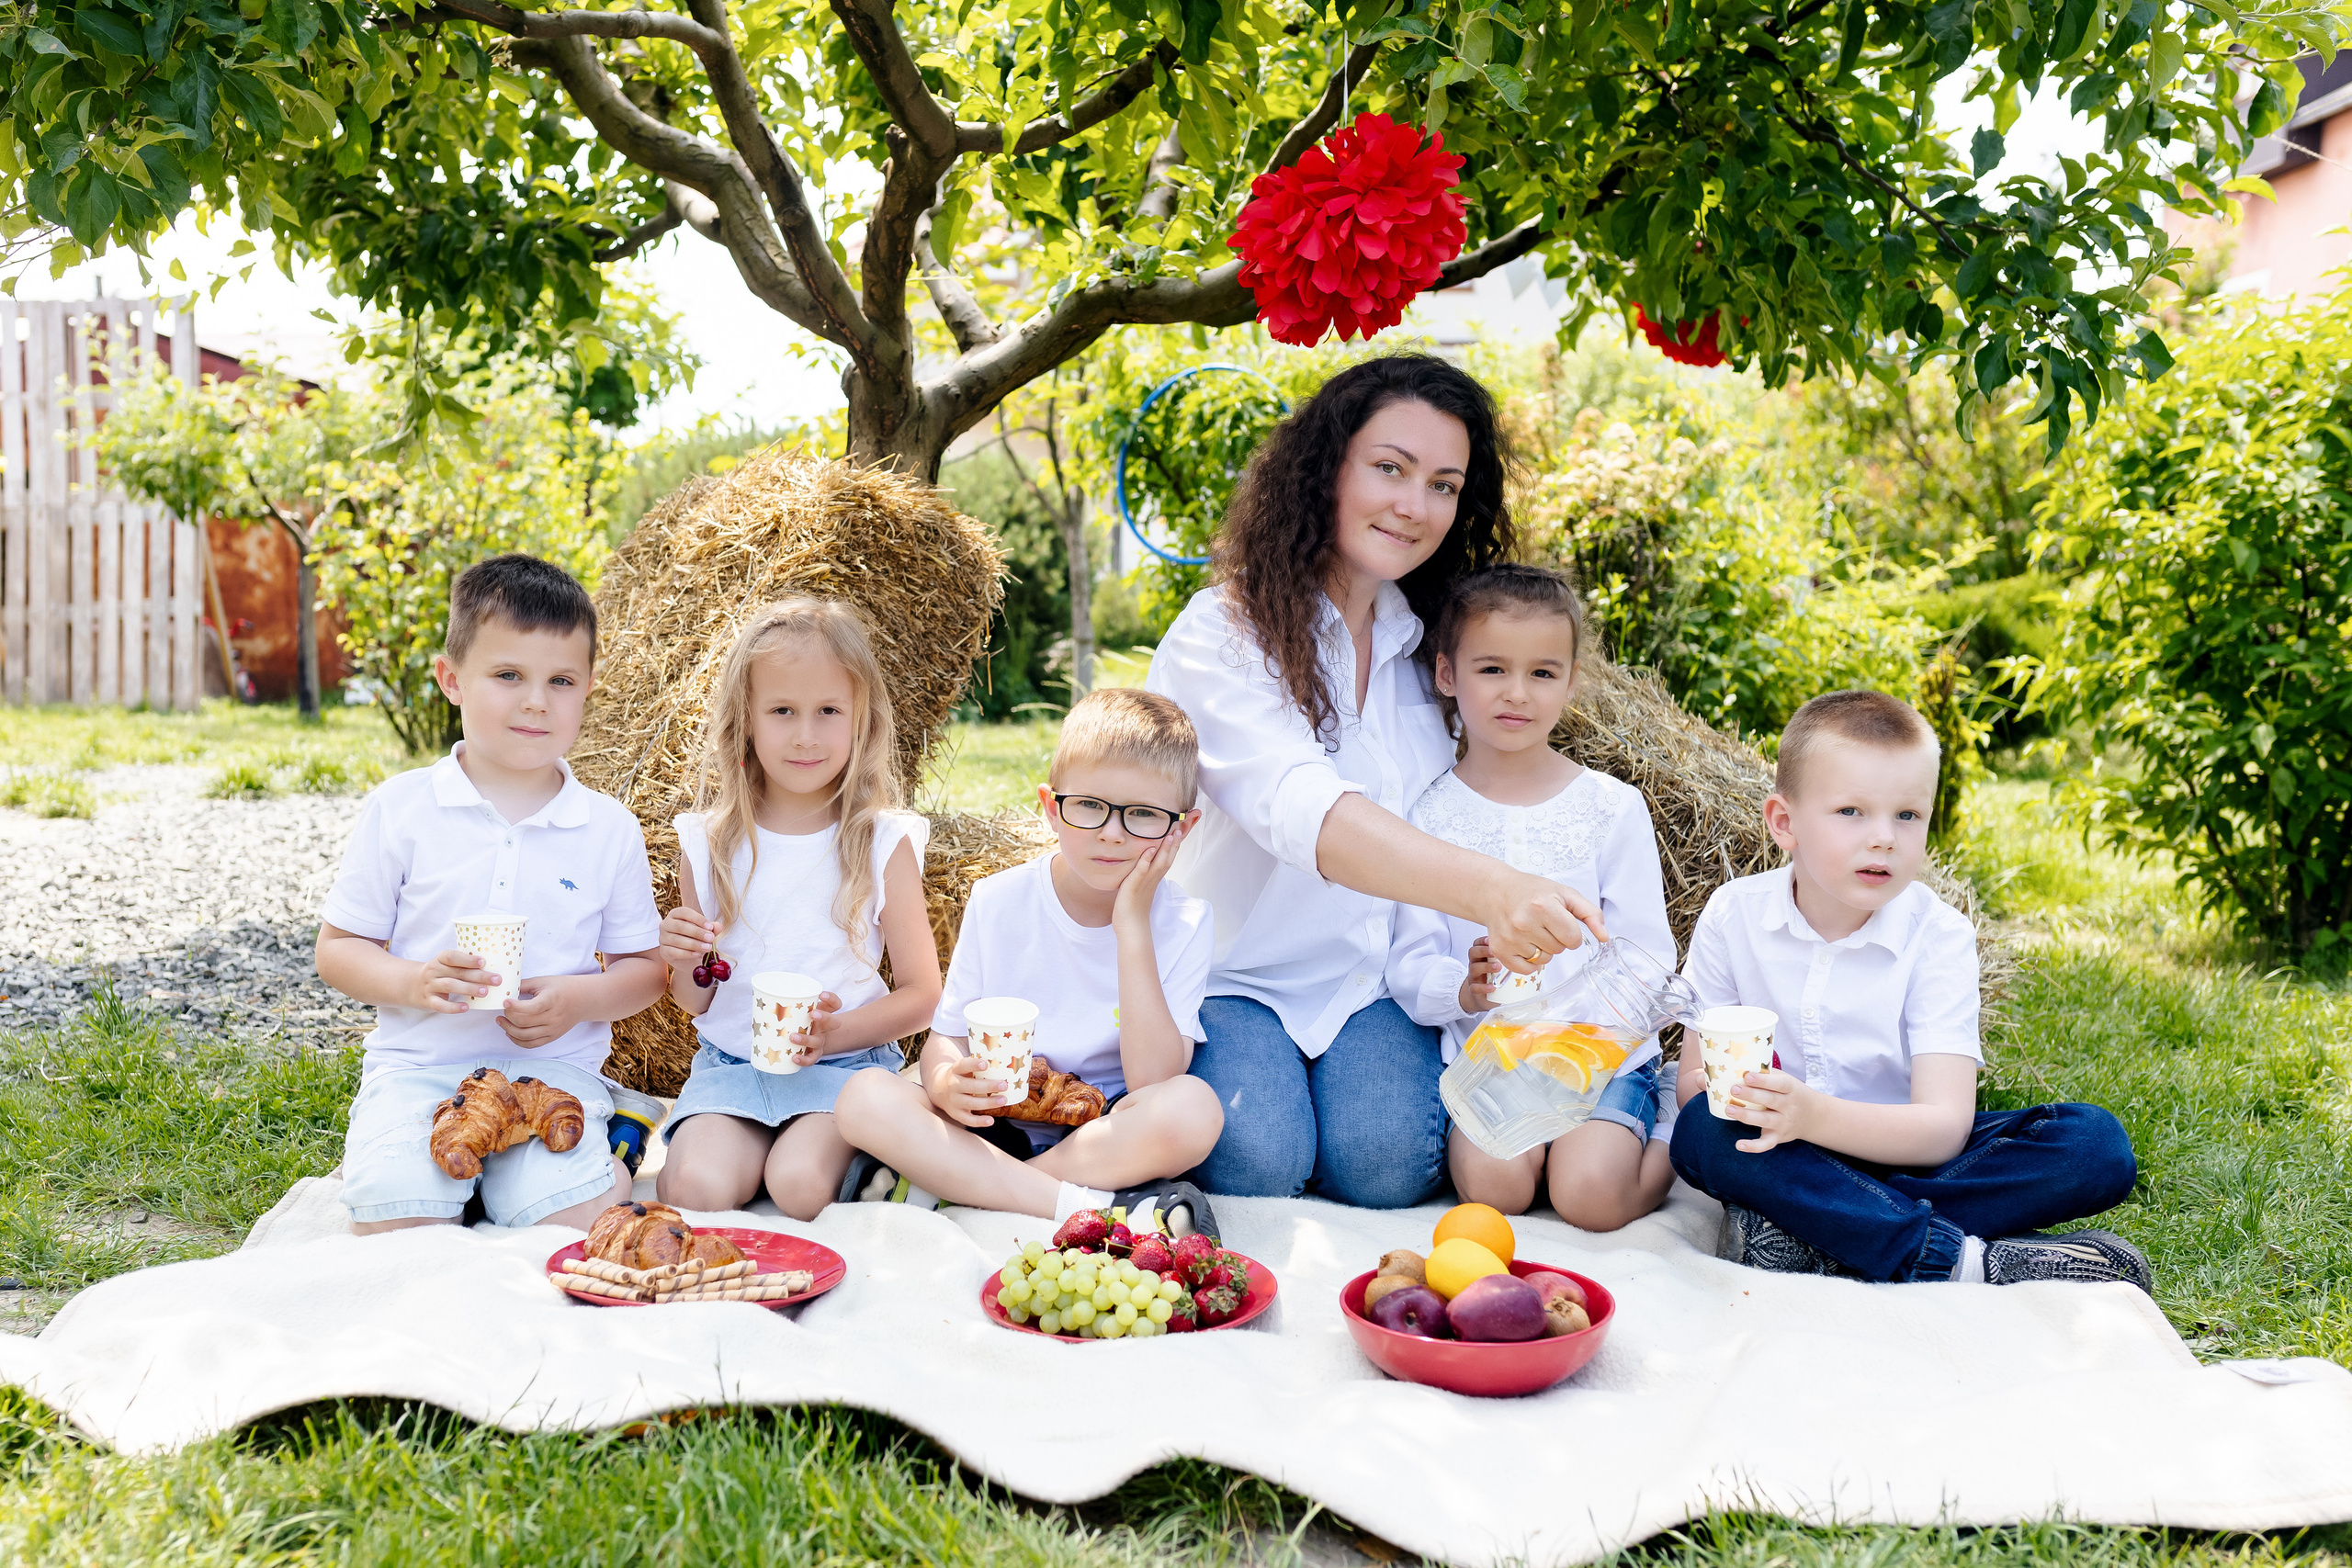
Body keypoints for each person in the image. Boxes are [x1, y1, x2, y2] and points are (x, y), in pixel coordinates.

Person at [1145, 355, 1608, 1208]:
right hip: (1238, 975)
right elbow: (1307, 814)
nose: (1413, 505)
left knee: (1387, 1169)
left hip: (1379, 984)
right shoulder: (1224, 634)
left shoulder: (1425, 652)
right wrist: (1498, 890)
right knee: (1260, 1163)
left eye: (1442, 484)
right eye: (1389, 468)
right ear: (1329, 468)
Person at [1669, 690, 2150, 1287]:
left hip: (1907, 1147)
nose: (1884, 838)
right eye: (1851, 811)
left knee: (2093, 1145)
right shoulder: (1733, 914)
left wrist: (1815, 1114)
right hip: (1785, 1151)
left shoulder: (1939, 934)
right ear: (1784, 823)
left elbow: (1944, 1126)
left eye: (1907, 815)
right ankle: (1962, 1260)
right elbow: (1694, 1084)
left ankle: (1826, 1232)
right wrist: (1748, 1100)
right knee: (1699, 1134)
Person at [316, 555, 667, 1235]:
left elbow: (645, 971)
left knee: (568, 1219)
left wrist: (577, 1000)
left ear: (587, 690)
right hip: (421, 1070)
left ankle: (610, 1143)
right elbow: (339, 950)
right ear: (453, 679)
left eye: (560, 680)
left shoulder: (606, 828)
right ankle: (459, 1176)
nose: (536, 700)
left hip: (551, 1071)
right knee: (394, 1217)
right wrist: (416, 980)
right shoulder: (403, 809)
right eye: (509, 675)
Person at [832, 688, 1225, 1229]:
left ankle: (966, 1185)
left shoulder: (1184, 921)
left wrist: (1130, 923)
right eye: (1089, 805)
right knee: (863, 1097)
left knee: (1193, 1110)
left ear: (1180, 829)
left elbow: (1154, 1079)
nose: (1111, 832)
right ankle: (1086, 1209)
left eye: (1143, 815)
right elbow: (946, 1037)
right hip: (995, 1121)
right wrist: (946, 1082)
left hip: (1103, 1136)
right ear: (1050, 807)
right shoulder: (999, 900)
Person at [1387, 565, 1679, 1228]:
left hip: (1597, 1058)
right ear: (1446, 674)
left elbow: (1648, 954)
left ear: (1571, 682)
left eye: (1543, 673)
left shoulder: (1610, 807)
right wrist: (1467, 989)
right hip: (1491, 1062)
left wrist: (1591, 1020)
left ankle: (1671, 1119)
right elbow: (1409, 962)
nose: (1517, 693)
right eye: (1492, 669)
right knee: (1496, 1191)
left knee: (1590, 1197)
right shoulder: (1425, 818)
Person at [653, 599, 943, 1220]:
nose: (806, 734)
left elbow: (922, 992)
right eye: (782, 711)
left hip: (844, 1067)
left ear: (860, 721)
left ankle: (891, 1140)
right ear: (746, 719)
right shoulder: (709, 843)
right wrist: (679, 957)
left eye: (828, 712)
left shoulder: (881, 841)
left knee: (799, 1184)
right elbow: (694, 999)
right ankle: (751, 1145)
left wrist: (838, 1033)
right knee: (694, 1190)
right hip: (734, 1067)